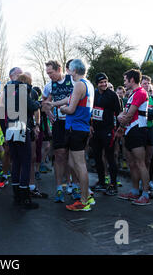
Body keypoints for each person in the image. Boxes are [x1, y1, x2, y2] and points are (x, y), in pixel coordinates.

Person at [0, 71, 41, 209]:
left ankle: (17, 194)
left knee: (16, 161)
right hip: (22, 128)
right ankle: (25, 197)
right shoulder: (24, 90)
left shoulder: (8, 90)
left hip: (10, 128)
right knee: (26, 162)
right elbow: (32, 106)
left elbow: (1, 111)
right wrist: (39, 103)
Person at [59, 59, 95, 211]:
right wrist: (55, 104)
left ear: (74, 70)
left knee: (79, 165)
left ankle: (84, 200)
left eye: (69, 70)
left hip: (77, 127)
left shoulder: (79, 84)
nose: (68, 72)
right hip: (81, 127)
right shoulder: (87, 84)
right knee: (74, 164)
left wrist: (62, 109)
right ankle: (87, 194)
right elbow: (71, 99)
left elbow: (71, 108)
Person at [42, 60, 76, 203]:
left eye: (51, 72)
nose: (49, 76)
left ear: (59, 69)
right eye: (47, 73)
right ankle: (59, 188)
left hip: (73, 122)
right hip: (59, 124)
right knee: (59, 154)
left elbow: (76, 98)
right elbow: (44, 104)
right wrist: (49, 113)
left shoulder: (73, 81)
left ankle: (74, 186)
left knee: (74, 156)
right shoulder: (49, 85)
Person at [117, 69, 151, 206]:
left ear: (131, 80)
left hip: (138, 130)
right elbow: (123, 113)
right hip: (129, 131)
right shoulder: (132, 94)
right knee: (132, 164)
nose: (124, 82)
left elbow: (128, 115)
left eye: (125, 80)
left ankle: (145, 194)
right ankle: (135, 191)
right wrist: (121, 120)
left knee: (140, 163)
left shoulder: (141, 92)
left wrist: (120, 120)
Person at [90, 73, 122, 196]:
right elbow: (90, 111)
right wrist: (90, 125)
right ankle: (102, 182)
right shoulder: (94, 94)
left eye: (105, 82)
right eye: (101, 82)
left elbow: (119, 113)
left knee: (110, 157)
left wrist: (119, 129)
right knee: (97, 157)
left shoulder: (113, 95)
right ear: (97, 83)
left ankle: (113, 184)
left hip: (108, 130)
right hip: (96, 130)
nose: (103, 84)